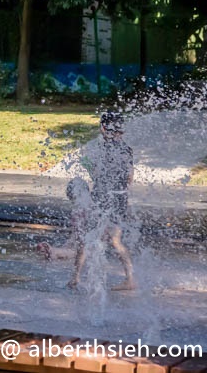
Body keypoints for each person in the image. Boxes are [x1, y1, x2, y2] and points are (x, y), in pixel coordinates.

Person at [71, 111, 136, 291]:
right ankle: (130, 279)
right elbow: (130, 178)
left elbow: (97, 175)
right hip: (121, 197)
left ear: (103, 128)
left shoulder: (100, 149)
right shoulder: (127, 149)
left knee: (86, 237)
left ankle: (75, 278)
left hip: (102, 197)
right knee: (116, 240)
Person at [37, 176, 94, 262]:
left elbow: (88, 233)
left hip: (91, 245)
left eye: (73, 198)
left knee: (75, 252)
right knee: (69, 249)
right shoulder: (84, 209)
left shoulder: (86, 210)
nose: (73, 201)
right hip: (82, 242)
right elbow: (76, 233)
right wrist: (68, 244)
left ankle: (53, 251)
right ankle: (54, 251)